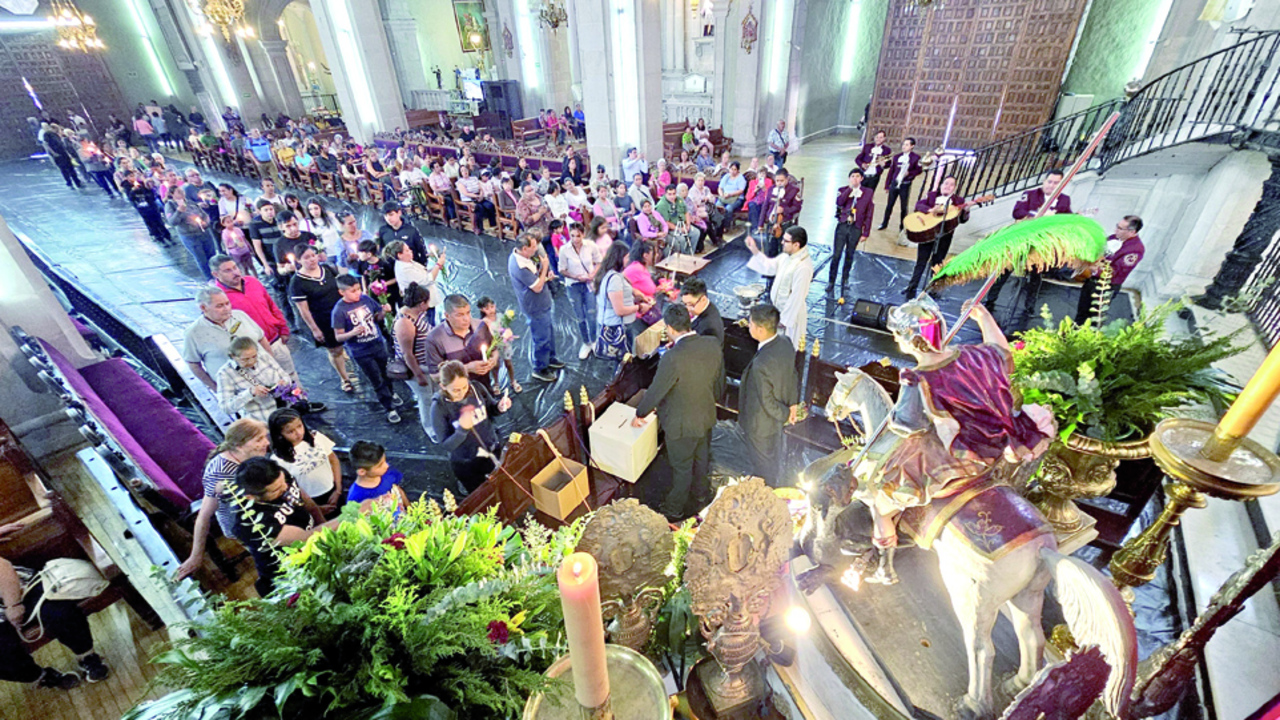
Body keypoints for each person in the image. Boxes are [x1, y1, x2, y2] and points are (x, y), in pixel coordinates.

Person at [855, 296, 1053, 553]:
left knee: (890, 482)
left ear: (911, 340)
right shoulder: (974, 354)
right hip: (1001, 441)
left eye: (897, 334)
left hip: (963, 455)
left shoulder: (917, 379)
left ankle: (884, 528)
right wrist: (984, 318)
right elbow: (1001, 351)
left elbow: (908, 425)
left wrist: (899, 413)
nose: (894, 338)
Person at [633, 304, 725, 520]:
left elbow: (656, 390)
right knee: (701, 459)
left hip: (681, 425)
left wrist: (640, 413)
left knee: (682, 468)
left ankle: (674, 508)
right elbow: (718, 382)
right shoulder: (712, 344)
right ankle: (701, 495)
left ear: (670, 328)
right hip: (705, 416)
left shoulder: (671, 358)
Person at [0, 533, 111, 689]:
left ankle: (87, 656)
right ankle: (41, 676)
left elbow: (3, 570)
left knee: (57, 612)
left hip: (19, 591)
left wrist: (13, 605)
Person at [176, 419, 270, 580]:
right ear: (239, 446)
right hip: (243, 524)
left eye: (265, 437)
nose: (266, 442)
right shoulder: (220, 472)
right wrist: (196, 556)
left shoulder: (252, 454)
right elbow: (203, 516)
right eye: (259, 439)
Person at [228, 457, 336, 597]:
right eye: (276, 490)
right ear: (251, 497)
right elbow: (304, 538)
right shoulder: (252, 523)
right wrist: (353, 514)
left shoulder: (278, 476)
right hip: (290, 573)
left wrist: (320, 519)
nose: (285, 487)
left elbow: (305, 500)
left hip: (314, 548)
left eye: (284, 481)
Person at [986, 170, 1075, 313]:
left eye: (1056, 183)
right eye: (1049, 181)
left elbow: (1067, 218)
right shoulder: (1030, 194)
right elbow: (1017, 212)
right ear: (1044, 181)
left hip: (1042, 244)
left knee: (1036, 275)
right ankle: (990, 299)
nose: (1051, 185)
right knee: (1005, 269)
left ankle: (1030, 306)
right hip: (1023, 239)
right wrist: (1037, 215)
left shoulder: (1064, 200)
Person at [212, 255, 302, 390]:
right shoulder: (219, 298)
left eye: (235, 267)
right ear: (216, 274)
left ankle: (300, 399)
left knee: (290, 375)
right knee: (269, 384)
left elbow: (271, 305)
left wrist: (283, 328)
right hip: (253, 352)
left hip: (275, 340)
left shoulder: (252, 282)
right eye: (228, 270)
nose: (235, 272)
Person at [428, 359, 513, 494]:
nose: (462, 393)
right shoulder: (439, 407)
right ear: (443, 386)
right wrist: (462, 430)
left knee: (501, 486)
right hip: (467, 462)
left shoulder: (476, 388)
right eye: (456, 390)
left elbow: (490, 409)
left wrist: (499, 407)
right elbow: (446, 445)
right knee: (480, 494)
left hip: (491, 449)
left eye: (464, 387)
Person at [738, 304, 799, 486]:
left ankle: (766, 492)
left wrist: (786, 415)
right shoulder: (785, 343)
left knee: (763, 466)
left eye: (750, 324)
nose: (748, 326)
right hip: (774, 422)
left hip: (760, 425)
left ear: (760, 329)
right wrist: (793, 404)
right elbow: (793, 374)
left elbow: (767, 401)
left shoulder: (761, 364)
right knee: (771, 459)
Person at [331, 275, 403, 424]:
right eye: (353, 291)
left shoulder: (365, 299)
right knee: (376, 379)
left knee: (386, 373)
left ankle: (391, 392)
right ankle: (389, 407)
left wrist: (384, 312)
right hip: (361, 351)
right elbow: (338, 337)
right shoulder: (339, 310)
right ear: (341, 292)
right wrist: (352, 333)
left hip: (377, 344)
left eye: (358, 289)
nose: (357, 293)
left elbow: (377, 317)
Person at [289, 245, 355, 392]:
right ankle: (345, 378)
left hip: (342, 313)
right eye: (306, 257)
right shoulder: (297, 282)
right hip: (324, 320)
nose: (312, 259)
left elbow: (342, 287)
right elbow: (303, 310)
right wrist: (314, 329)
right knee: (335, 350)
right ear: (299, 260)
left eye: (313, 255)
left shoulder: (327, 269)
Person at [268, 408, 342, 515]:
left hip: (332, 490)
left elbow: (333, 460)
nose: (298, 433)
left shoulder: (316, 437)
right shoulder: (278, 460)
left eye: (299, 426)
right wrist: (314, 508)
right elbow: (286, 490)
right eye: (291, 431)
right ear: (279, 435)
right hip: (310, 501)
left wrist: (338, 489)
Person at [905, 176, 970, 297]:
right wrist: (930, 210)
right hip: (927, 234)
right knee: (921, 261)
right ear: (941, 185)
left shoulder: (958, 201)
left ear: (954, 188)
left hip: (944, 236)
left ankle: (933, 290)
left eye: (951, 184)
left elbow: (962, 220)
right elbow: (919, 205)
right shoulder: (932, 196)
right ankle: (912, 286)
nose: (947, 186)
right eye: (946, 183)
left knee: (937, 263)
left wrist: (966, 211)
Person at [509, 233, 562, 382]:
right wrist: (545, 268)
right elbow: (537, 287)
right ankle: (540, 368)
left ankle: (550, 358)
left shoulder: (523, 257)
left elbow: (537, 279)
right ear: (524, 249)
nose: (536, 248)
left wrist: (543, 273)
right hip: (535, 307)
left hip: (542, 304)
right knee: (541, 338)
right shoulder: (519, 267)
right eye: (533, 246)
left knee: (549, 333)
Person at [746, 226, 813, 343]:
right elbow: (770, 266)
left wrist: (784, 320)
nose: (782, 242)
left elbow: (797, 297)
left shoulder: (803, 267)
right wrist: (755, 251)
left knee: (788, 345)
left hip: (791, 318)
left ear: (796, 245)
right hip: (778, 312)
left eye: (786, 241)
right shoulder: (786, 257)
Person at [1075, 216, 1145, 325]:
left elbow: (1116, 271)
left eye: (1120, 228)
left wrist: (1093, 268)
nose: (1115, 230)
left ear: (1132, 232)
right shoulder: (1113, 238)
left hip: (1106, 285)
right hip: (1092, 281)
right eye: (1117, 226)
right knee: (1082, 310)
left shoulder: (1135, 249)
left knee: (1094, 316)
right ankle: (1075, 328)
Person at [217, 336, 294, 422]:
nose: (251, 362)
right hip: (262, 420)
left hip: (287, 410)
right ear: (233, 356)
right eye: (245, 359)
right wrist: (250, 393)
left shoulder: (264, 357)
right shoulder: (225, 374)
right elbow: (226, 407)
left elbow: (285, 376)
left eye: (254, 356)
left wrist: (284, 383)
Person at [392, 282, 436, 433]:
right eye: (427, 302)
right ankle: (431, 428)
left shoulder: (417, 314)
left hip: (427, 364)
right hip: (419, 367)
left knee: (432, 395)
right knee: (426, 399)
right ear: (421, 304)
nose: (429, 305)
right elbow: (408, 354)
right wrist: (419, 375)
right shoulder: (405, 323)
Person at [594, 241, 649, 360]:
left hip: (616, 323)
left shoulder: (611, 274)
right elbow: (619, 310)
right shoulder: (614, 279)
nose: (628, 260)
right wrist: (639, 307)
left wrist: (635, 294)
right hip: (618, 326)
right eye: (626, 257)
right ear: (619, 258)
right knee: (623, 359)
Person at [558, 222, 600, 360]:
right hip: (573, 285)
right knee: (580, 317)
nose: (575, 239)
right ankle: (586, 342)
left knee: (591, 314)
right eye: (572, 236)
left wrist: (592, 274)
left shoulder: (590, 246)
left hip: (588, 284)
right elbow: (562, 269)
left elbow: (599, 262)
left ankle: (594, 340)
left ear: (583, 234)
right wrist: (575, 277)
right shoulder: (564, 250)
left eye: (578, 236)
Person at [830, 168, 875, 290]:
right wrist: (850, 189)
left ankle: (845, 279)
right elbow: (839, 202)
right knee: (836, 254)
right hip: (843, 225)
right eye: (852, 176)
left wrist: (866, 232)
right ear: (849, 178)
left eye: (857, 176)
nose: (855, 179)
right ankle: (831, 281)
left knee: (850, 254)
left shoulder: (868, 192)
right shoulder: (842, 190)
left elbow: (869, 212)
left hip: (856, 227)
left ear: (861, 178)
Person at [165, 188, 218, 280]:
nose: (182, 193)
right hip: (190, 236)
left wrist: (205, 222)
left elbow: (204, 214)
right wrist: (179, 211)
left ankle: (218, 275)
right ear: (172, 194)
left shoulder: (190, 202)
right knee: (201, 258)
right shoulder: (170, 205)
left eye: (182, 191)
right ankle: (209, 278)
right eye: (179, 192)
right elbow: (172, 222)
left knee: (212, 255)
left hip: (203, 232)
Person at [388, 239, 443, 323]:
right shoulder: (405, 269)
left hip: (426, 302)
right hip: (421, 304)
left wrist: (435, 268)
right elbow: (427, 280)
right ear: (400, 255)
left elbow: (423, 274)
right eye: (407, 250)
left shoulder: (408, 262)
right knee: (428, 325)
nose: (411, 251)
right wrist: (438, 264)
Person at [346, 441, 409, 512]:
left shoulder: (387, 474)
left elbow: (398, 490)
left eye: (385, 461)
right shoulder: (355, 497)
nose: (387, 466)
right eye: (380, 465)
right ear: (362, 472)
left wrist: (410, 509)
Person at [477, 296, 521, 394]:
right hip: (494, 347)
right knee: (496, 366)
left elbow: (506, 327)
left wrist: (508, 333)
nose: (491, 310)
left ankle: (513, 381)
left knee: (508, 363)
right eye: (487, 308)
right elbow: (485, 335)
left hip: (504, 345)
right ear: (482, 309)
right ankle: (496, 384)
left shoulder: (500, 316)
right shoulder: (484, 322)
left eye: (492, 307)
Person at [878, 138, 922, 232]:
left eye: (907, 145)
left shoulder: (916, 158)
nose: (904, 146)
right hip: (895, 183)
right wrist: (887, 185)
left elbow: (919, 170)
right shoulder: (897, 157)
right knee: (889, 205)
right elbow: (891, 171)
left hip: (905, 185)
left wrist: (909, 173)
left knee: (903, 207)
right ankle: (884, 223)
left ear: (912, 146)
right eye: (903, 144)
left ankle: (902, 226)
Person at [656, 185, 702, 254]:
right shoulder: (662, 205)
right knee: (682, 239)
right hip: (672, 229)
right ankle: (683, 255)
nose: (672, 196)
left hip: (683, 224)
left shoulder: (679, 199)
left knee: (696, 232)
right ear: (665, 194)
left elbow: (686, 212)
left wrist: (688, 224)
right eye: (669, 194)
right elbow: (666, 223)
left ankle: (690, 253)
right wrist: (680, 229)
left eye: (674, 194)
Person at [680, 277, 724, 346]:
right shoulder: (705, 308)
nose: (687, 309)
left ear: (703, 299)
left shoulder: (710, 329)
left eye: (691, 305)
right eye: (684, 304)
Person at [716, 161, 747, 232]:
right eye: (731, 169)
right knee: (717, 206)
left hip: (736, 198)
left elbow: (741, 191)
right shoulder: (726, 176)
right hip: (724, 197)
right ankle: (718, 225)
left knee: (728, 208)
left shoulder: (741, 179)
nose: (732, 171)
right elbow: (720, 188)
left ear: (738, 170)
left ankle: (726, 226)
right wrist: (722, 194)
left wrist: (730, 194)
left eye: (735, 169)